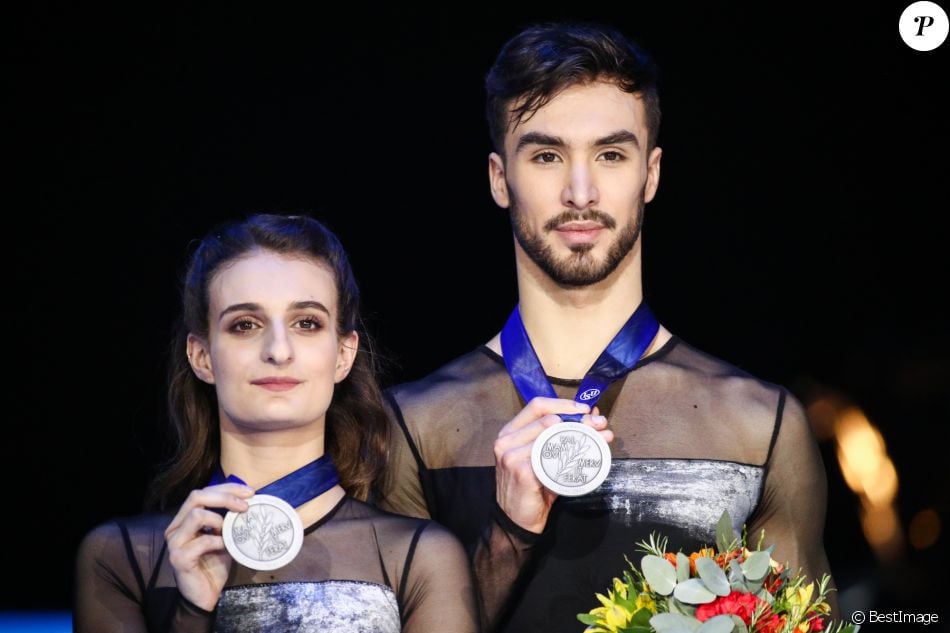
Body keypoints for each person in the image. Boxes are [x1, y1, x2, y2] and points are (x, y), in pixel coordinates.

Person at [379, 22, 836, 632]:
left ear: (650, 175)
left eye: (611, 155)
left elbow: (812, 622)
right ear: (498, 178)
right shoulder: (412, 426)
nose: (580, 191)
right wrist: (507, 536)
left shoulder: (760, 424)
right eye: (546, 155)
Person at [75, 214, 479, 633]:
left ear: (343, 354)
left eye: (307, 323)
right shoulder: (122, 555)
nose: (278, 350)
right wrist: (192, 612)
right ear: (202, 357)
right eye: (245, 325)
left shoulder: (417, 556)